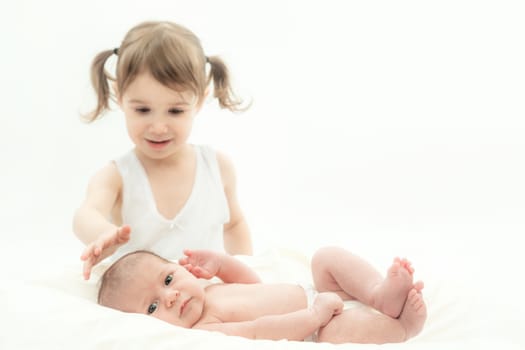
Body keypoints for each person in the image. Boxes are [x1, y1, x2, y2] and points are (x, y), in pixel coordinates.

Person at [73, 21, 253, 280]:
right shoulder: (117, 175)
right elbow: (86, 214)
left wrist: (244, 275)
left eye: (176, 111)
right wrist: (102, 233)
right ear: (120, 96)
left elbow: (234, 225)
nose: (158, 127)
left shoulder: (217, 167)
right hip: (147, 303)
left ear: (200, 100)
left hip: (206, 295)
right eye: (143, 110)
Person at [98, 246, 427, 344]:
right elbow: (258, 331)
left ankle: (377, 294)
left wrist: (222, 264)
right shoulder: (203, 329)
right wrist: (314, 317)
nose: (170, 296)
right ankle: (402, 329)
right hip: (311, 325)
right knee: (339, 333)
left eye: (168, 279)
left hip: (315, 293)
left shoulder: (208, 290)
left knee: (324, 259)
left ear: (179, 267)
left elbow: (253, 286)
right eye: (153, 306)